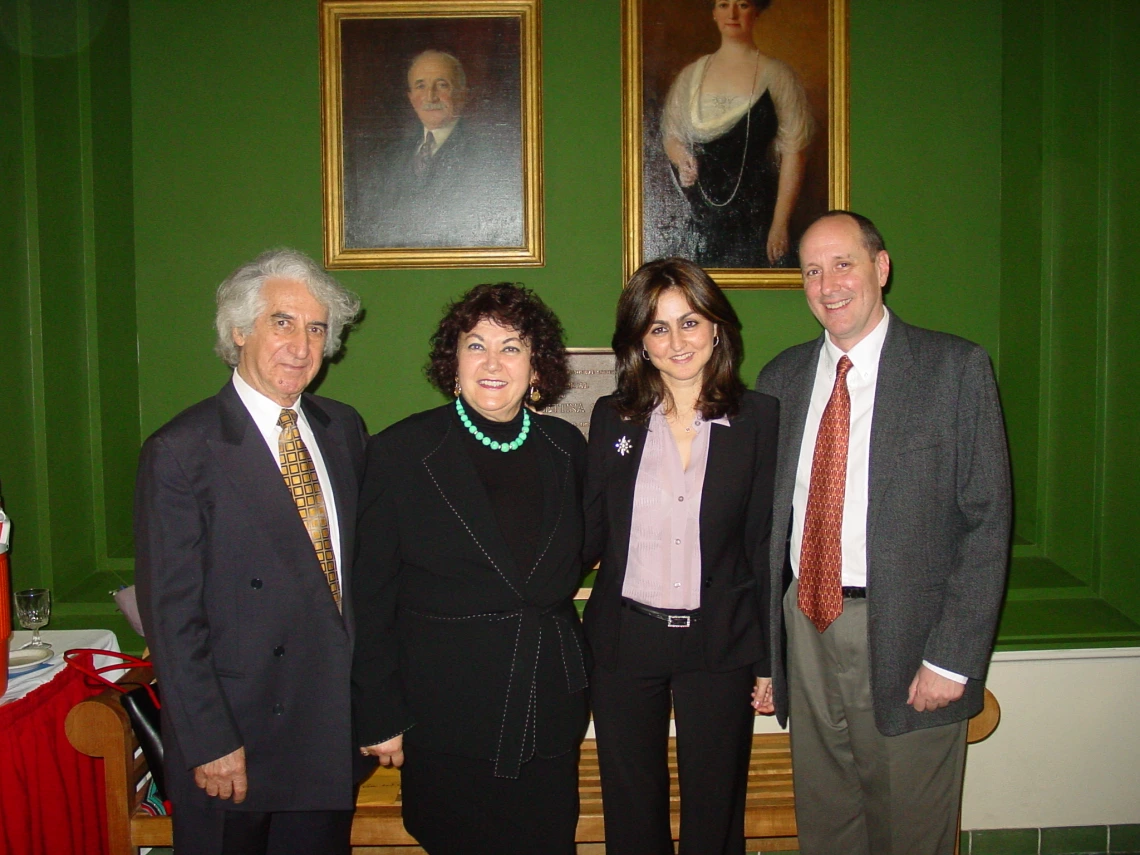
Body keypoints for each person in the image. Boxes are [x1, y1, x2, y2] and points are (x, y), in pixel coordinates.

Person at [755, 211, 1012, 855]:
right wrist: (768, 655)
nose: (828, 283)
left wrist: (952, 657)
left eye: (843, 263)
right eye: (812, 270)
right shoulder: (781, 378)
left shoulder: (954, 369)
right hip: (805, 628)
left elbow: (987, 519)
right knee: (826, 820)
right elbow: (764, 527)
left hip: (909, 635)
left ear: (881, 267)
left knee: (911, 830)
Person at [134, 249, 368, 855]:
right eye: (282, 322)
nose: (301, 344)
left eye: (317, 328)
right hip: (234, 738)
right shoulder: (182, 449)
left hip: (324, 732)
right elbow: (172, 616)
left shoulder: (342, 429)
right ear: (238, 331)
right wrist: (209, 738)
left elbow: (353, 585)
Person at [351, 283, 589, 855]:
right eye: (475, 344)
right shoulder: (401, 452)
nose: (492, 362)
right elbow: (369, 596)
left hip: (549, 704)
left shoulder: (567, 448)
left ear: (536, 364)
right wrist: (378, 712)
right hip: (445, 712)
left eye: (511, 346)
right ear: (452, 361)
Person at [583, 257, 779, 855]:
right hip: (624, 639)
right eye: (658, 327)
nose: (676, 342)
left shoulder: (759, 419)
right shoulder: (613, 417)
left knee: (716, 809)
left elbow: (765, 542)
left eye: (689, 322)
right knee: (631, 806)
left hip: (718, 642)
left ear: (717, 327)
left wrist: (769, 660)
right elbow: (589, 531)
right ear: (640, 341)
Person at [661, 0, 812, 268]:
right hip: (702, 211)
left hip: (757, 212)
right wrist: (682, 157)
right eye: (723, 4)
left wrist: (779, 223)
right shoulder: (691, 76)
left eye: (742, 4)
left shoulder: (777, 75)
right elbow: (672, 135)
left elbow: (794, 151)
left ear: (755, 12)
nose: (732, 13)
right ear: (713, 13)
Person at [349, 50, 523, 249]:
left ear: (462, 95)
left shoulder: (488, 159)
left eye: (442, 85)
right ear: (411, 97)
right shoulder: (389, 158)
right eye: (420, 86)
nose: (430, 96)